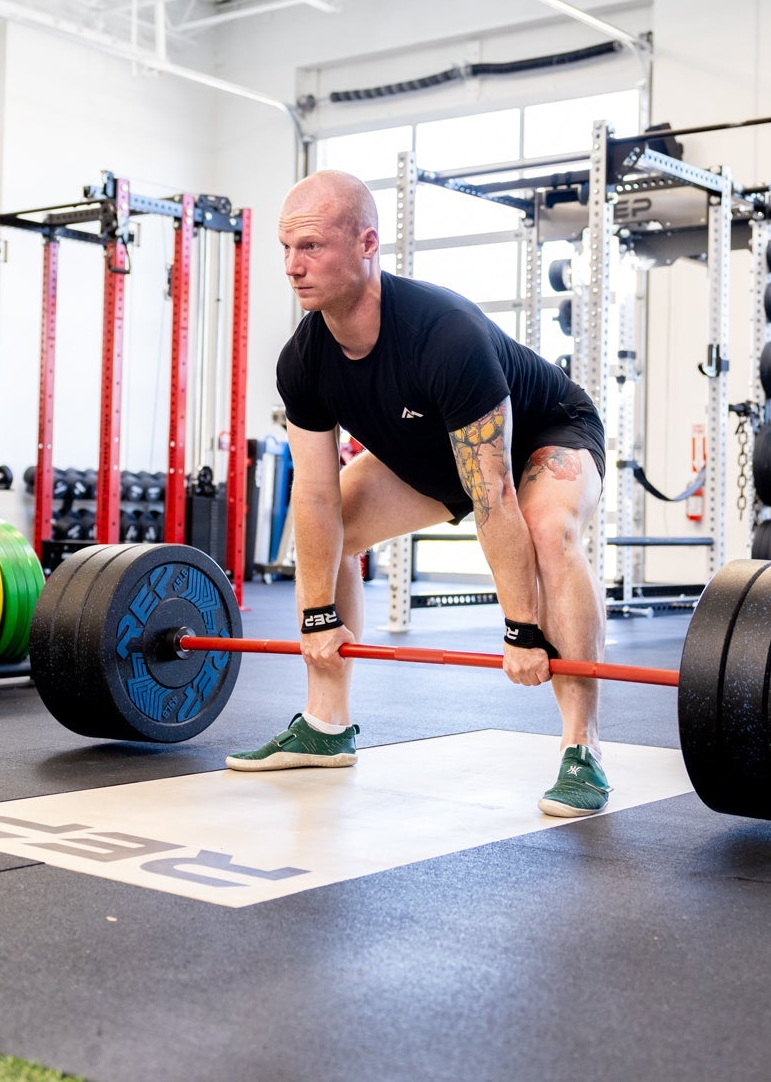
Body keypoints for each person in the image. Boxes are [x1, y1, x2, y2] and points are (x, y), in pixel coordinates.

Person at [225, 170, 612, 816]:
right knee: (340, 515)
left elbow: (494, 496)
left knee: (550, 534)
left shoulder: (443, 336)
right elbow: (316, 498)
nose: (292, 267)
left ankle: (583, 748)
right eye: (286, 249)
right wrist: (319, 618)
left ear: (367, 243)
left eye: (311, 246)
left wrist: (521, 627)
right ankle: (326, 725)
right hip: (440, 456)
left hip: (545, 436)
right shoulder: (303, 361)